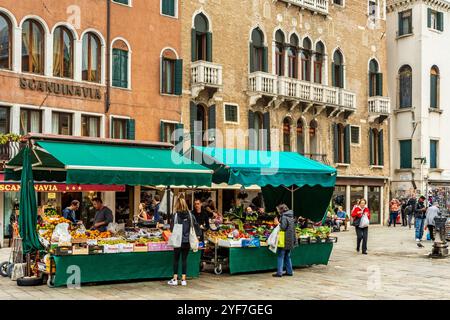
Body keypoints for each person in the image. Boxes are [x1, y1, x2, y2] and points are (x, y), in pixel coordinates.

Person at [168, 197, 199, 287]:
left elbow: (171, 228)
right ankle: (184, 280)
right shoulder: (190, 215)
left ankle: (174, 279)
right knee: (184, 260)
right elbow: (195, 226)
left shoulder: (175, 216)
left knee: (176, 259)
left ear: (177, 205)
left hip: (178, 241)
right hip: (187, 241)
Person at [272, 204, 297, 277]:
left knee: (280, 256)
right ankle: (289, 271)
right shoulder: (291, 216)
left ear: (281, 209)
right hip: (290, 239)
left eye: (279, 210)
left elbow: (283, 227)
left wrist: (277, 223)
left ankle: (279, 273)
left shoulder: (284, 217)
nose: (278, 211)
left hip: (284, 239)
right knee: (287, 256)